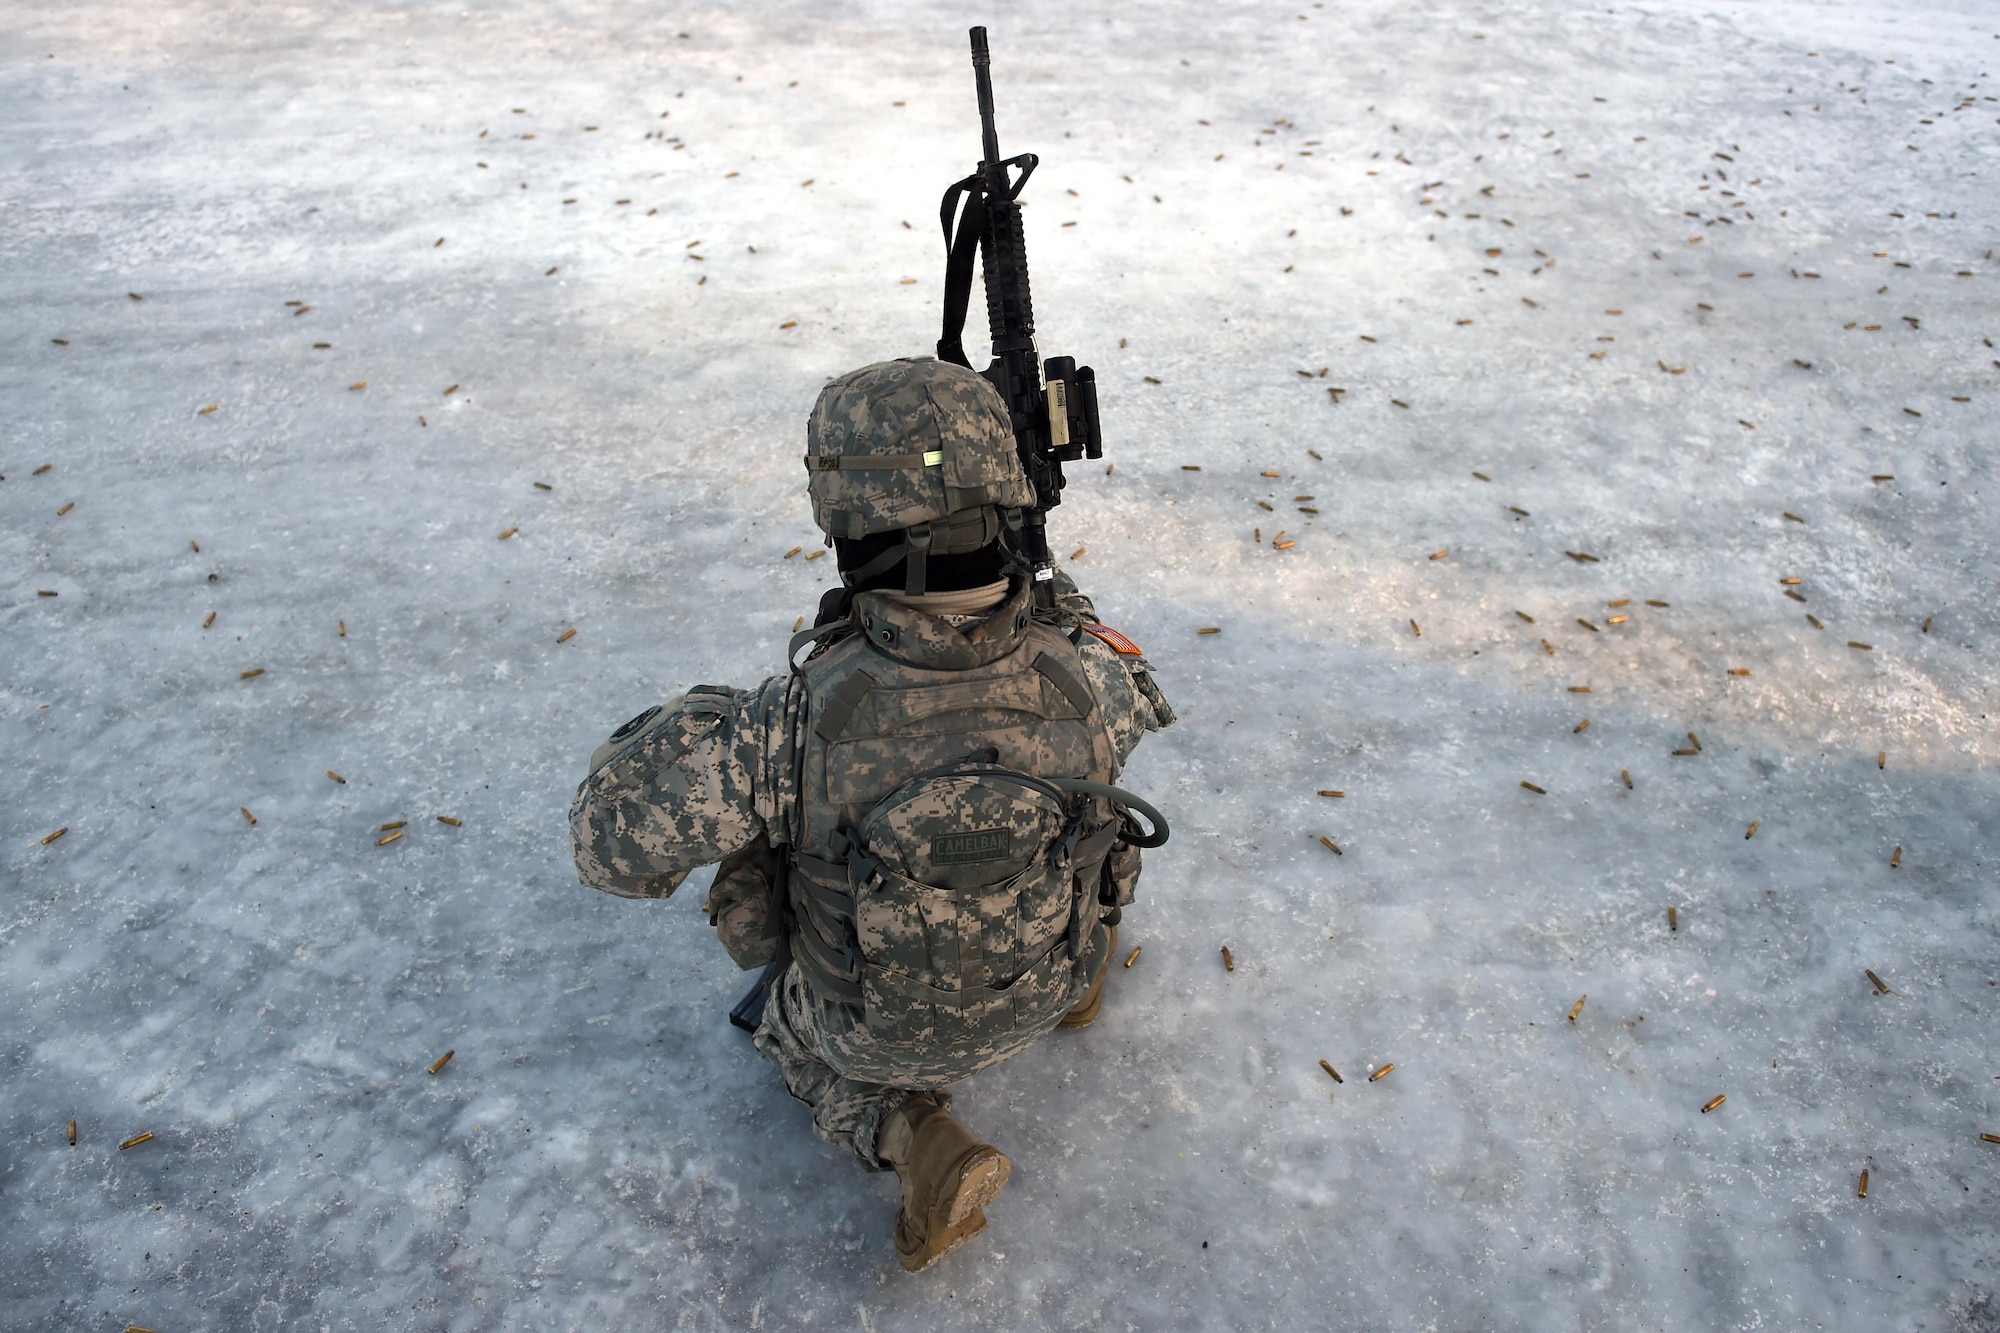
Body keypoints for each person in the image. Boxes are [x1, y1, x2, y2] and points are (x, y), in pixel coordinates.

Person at [569, 356, 1174, 1271]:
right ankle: (1081, 986)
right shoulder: (1092, 672)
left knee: (787, 1026)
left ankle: (913, 1136)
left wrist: (709, 719)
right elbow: (1122, 673)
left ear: (846, 519)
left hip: (871, 1033)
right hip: (1050, 977)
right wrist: (1055, 602)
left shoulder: (791, 723)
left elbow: (606, 845)